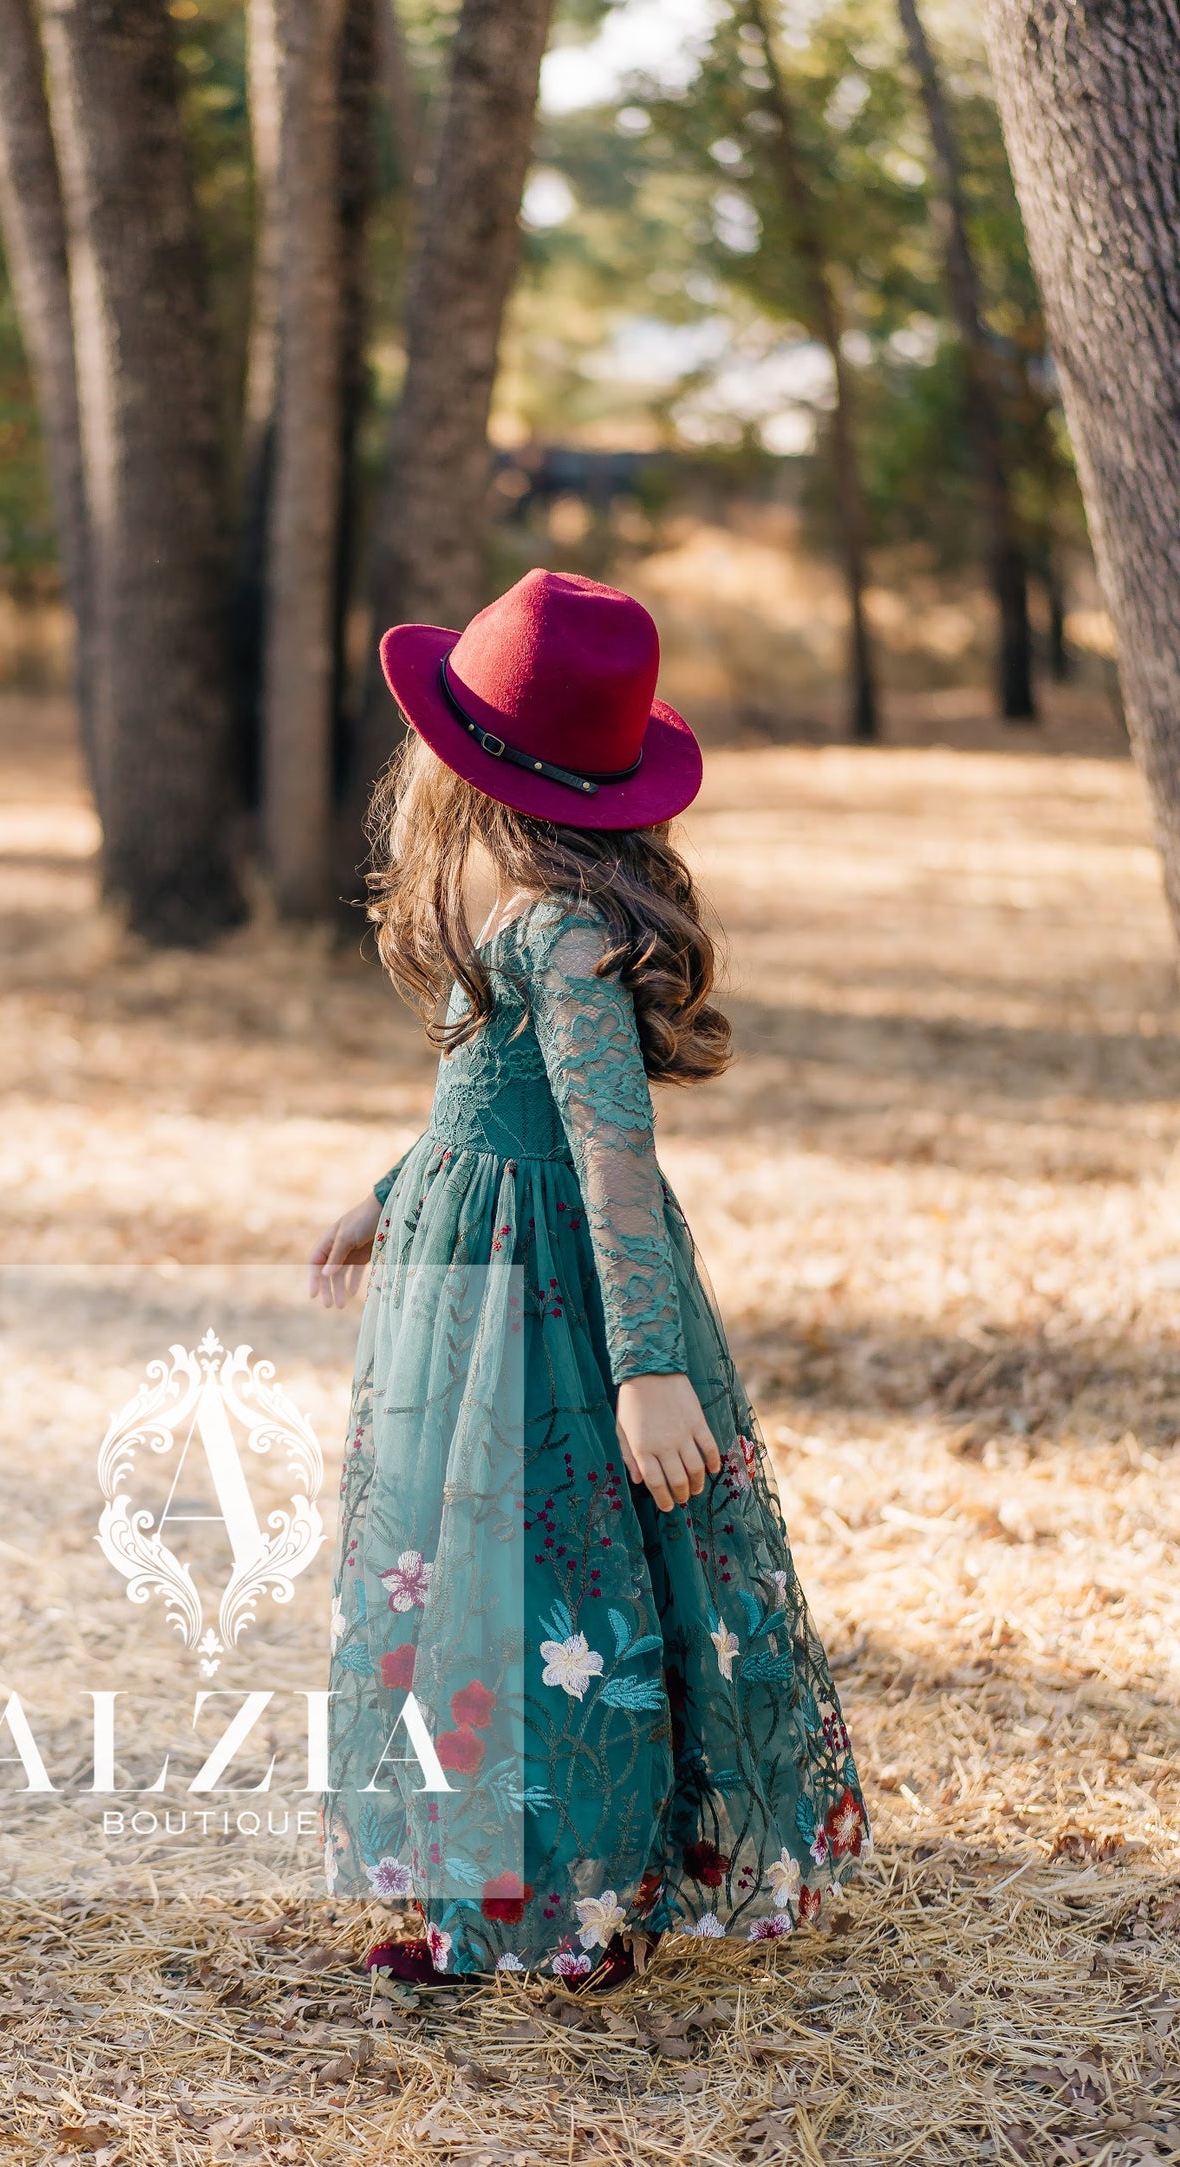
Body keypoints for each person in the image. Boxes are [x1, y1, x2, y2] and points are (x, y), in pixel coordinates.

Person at [309, 569, 868, 1986]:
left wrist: (646, 1370)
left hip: (551, 1311)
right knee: (480, 1574)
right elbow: (479, 1105)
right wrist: (384, 1197)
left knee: (551, 1578)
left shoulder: (563, 939)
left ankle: (569, 1904)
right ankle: (507, 1889)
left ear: (468, 773)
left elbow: (611, 1157)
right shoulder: (521, 923)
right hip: (471, 1276)